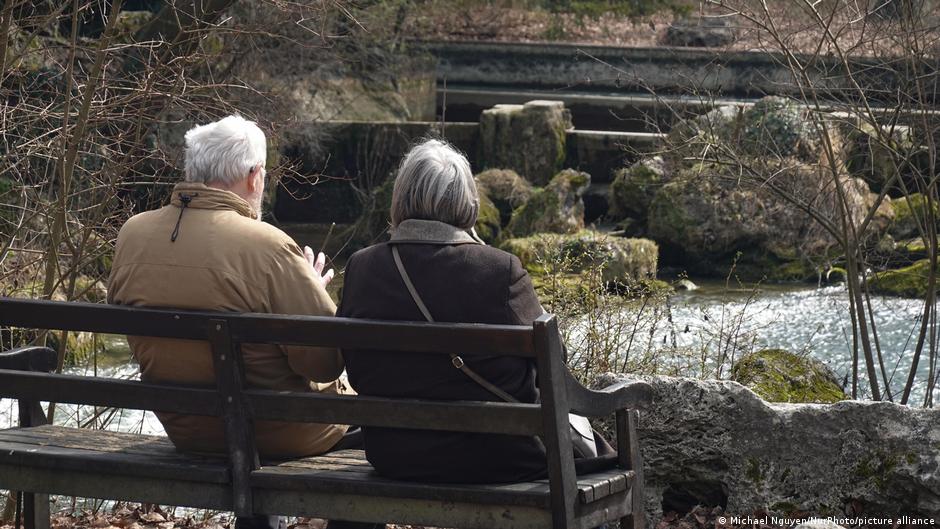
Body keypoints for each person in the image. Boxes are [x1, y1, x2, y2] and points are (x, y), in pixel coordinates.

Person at [108, 115, 352, 528]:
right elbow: (325, 362)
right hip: (275, 432)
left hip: (187, 428)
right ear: (254, 177)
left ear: (192, 172)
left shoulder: (132, 234)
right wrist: (312, 288)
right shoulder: (268, 247)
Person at [337, 139, 549, 483]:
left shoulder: (362, 267)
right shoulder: (500, 270)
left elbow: (353, 361)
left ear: (401, 196)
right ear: (468, 202)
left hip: (395, 456)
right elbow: (555, 363)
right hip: (500, 457)